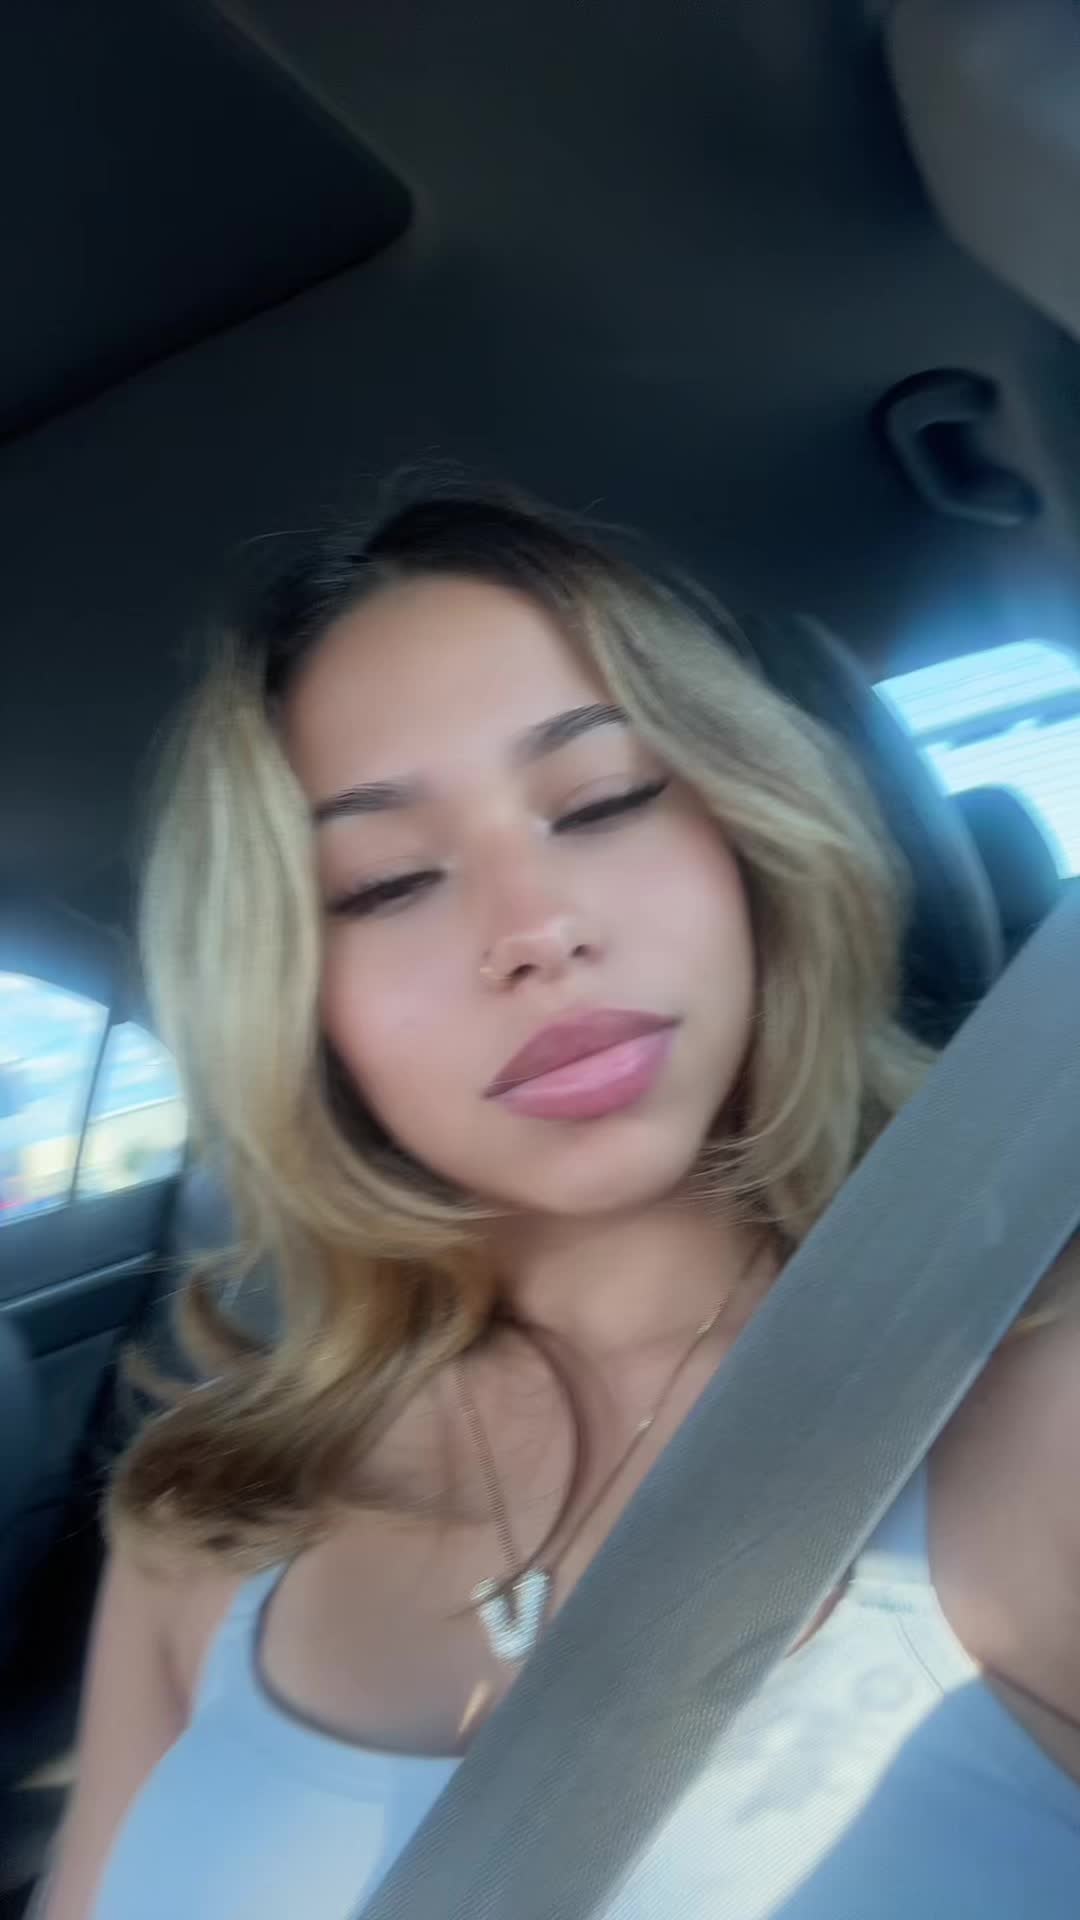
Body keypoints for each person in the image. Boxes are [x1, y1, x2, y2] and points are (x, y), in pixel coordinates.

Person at [40, 493, 1080, 1919]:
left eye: (602, 802)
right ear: (290, 997)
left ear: (749, 836)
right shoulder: (209, 1509)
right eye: (386, 882)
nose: (534, 929)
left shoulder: (1034, 1401)